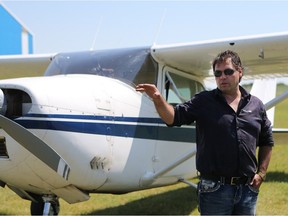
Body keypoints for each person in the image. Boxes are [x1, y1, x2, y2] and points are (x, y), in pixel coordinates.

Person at [136, 50, 273, 215]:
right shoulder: (203, 101)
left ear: (240, 72)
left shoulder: (256, 105)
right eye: (218, 73)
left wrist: (262, 173)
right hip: (215, 189)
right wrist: (158, 100)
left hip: (247, 189)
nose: (222, 77)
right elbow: (173, 118)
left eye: (228, 72)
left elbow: (266, 140)